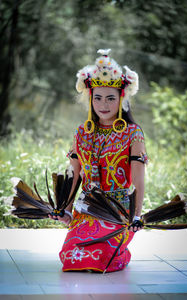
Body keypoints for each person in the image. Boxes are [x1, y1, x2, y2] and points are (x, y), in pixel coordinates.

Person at [49, 49, 148, 273]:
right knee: (71, 256)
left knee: (101, 257)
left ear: (122, 100)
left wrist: (137, 216)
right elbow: (73, 175)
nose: (104, 104)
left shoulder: (133, 133)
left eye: (111, 98)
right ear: (90, 99)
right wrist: (63, 209)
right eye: (98, 98)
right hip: (87, 209)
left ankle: (121, 246)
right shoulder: (82, 132)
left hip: (118, 211)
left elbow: (139, 181)